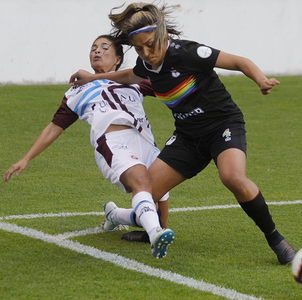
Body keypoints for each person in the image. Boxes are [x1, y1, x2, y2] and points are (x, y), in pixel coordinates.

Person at [69, 3, 296, 265]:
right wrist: (93, 79)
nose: (146, 53)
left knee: (232, 177)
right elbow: (131, 74)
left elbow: (238, 61)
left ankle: (276, 239)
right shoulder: (146, 64)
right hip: (189, 137)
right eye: (139, 48)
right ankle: (126, 220)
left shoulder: (188, 52)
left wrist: (260, 79)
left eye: (151, 45)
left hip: (222, 124)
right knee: (146, 192)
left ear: (163, 34)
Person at [4, 34, 174, 259]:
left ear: (117, 59)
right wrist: (26, 158)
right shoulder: (77, 90)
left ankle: (117, 215)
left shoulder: (132, 79)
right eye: (94, 48)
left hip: (144, 141)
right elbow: (55, 126)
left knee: (158, 197)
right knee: (141, 181)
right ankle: (155, 235)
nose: (97, 51)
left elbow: (170, 88)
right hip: (112, 143)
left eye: (104, 48)